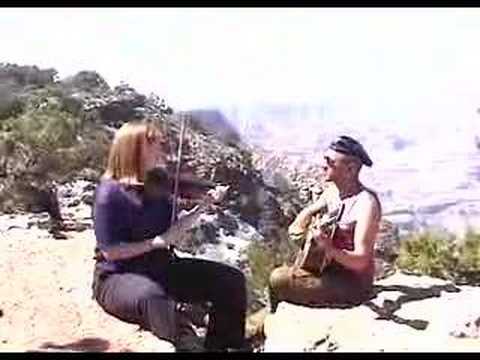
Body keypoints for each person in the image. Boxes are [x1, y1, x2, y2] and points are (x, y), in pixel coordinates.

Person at [91, 120, 248, 352]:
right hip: (117, 277)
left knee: (231, 280)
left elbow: (172, 230)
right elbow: (111, 251)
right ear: (133, 149)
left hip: (161, 267)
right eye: (153, 143)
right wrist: (156, 243)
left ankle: (224, 346)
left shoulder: (157, 184)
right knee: (153, 296)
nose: (161, 147)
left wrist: (203, 206)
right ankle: (187, 343)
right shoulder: (109, 193)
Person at [268, 135, 382, 312]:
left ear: (350, 169)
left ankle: (270, 318)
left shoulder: (366, 204)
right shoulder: (333, 191)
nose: (323, 166)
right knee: (284, 275)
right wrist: (303, 220)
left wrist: (329, 249)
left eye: (330, 162)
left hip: (351, 283)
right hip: (326, 269)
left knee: (278, 279)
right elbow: (308, 215)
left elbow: (361, 260)